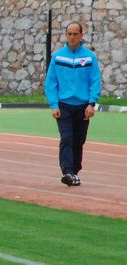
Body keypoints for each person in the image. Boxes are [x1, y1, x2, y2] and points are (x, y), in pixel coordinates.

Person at [45, 21, 101, 187]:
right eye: (69, 33)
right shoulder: (58, 57)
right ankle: (67, 172)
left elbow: (95, 81)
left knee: (79, 141)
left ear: (81, 35)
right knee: (67, 139)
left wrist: (92, 103)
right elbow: (51, 82)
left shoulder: (89, 57)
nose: (72, 37)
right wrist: (54, 105)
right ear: (65, 35)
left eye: (75, 34)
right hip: (64, 106)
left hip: (83, 106)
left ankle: (74, 171)